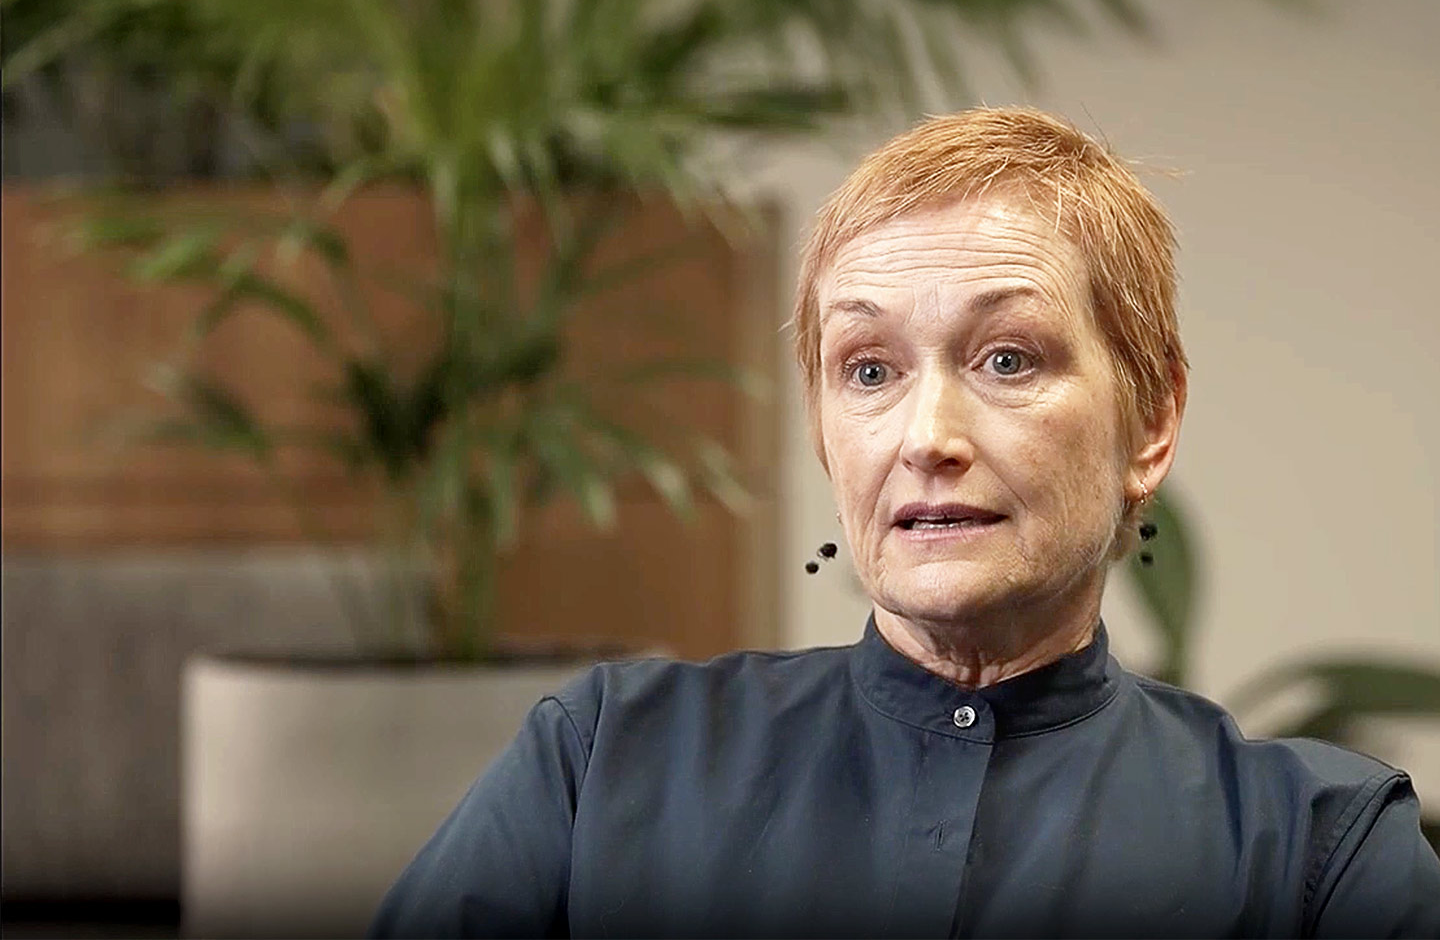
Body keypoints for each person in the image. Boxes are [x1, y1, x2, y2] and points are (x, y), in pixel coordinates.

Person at [371, 107, 1440, 938]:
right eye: (870, 369)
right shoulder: (600, 759)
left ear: (1151, 420)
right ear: (823, 428)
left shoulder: (1320, 850)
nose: (927, 436)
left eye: (1007, 358)